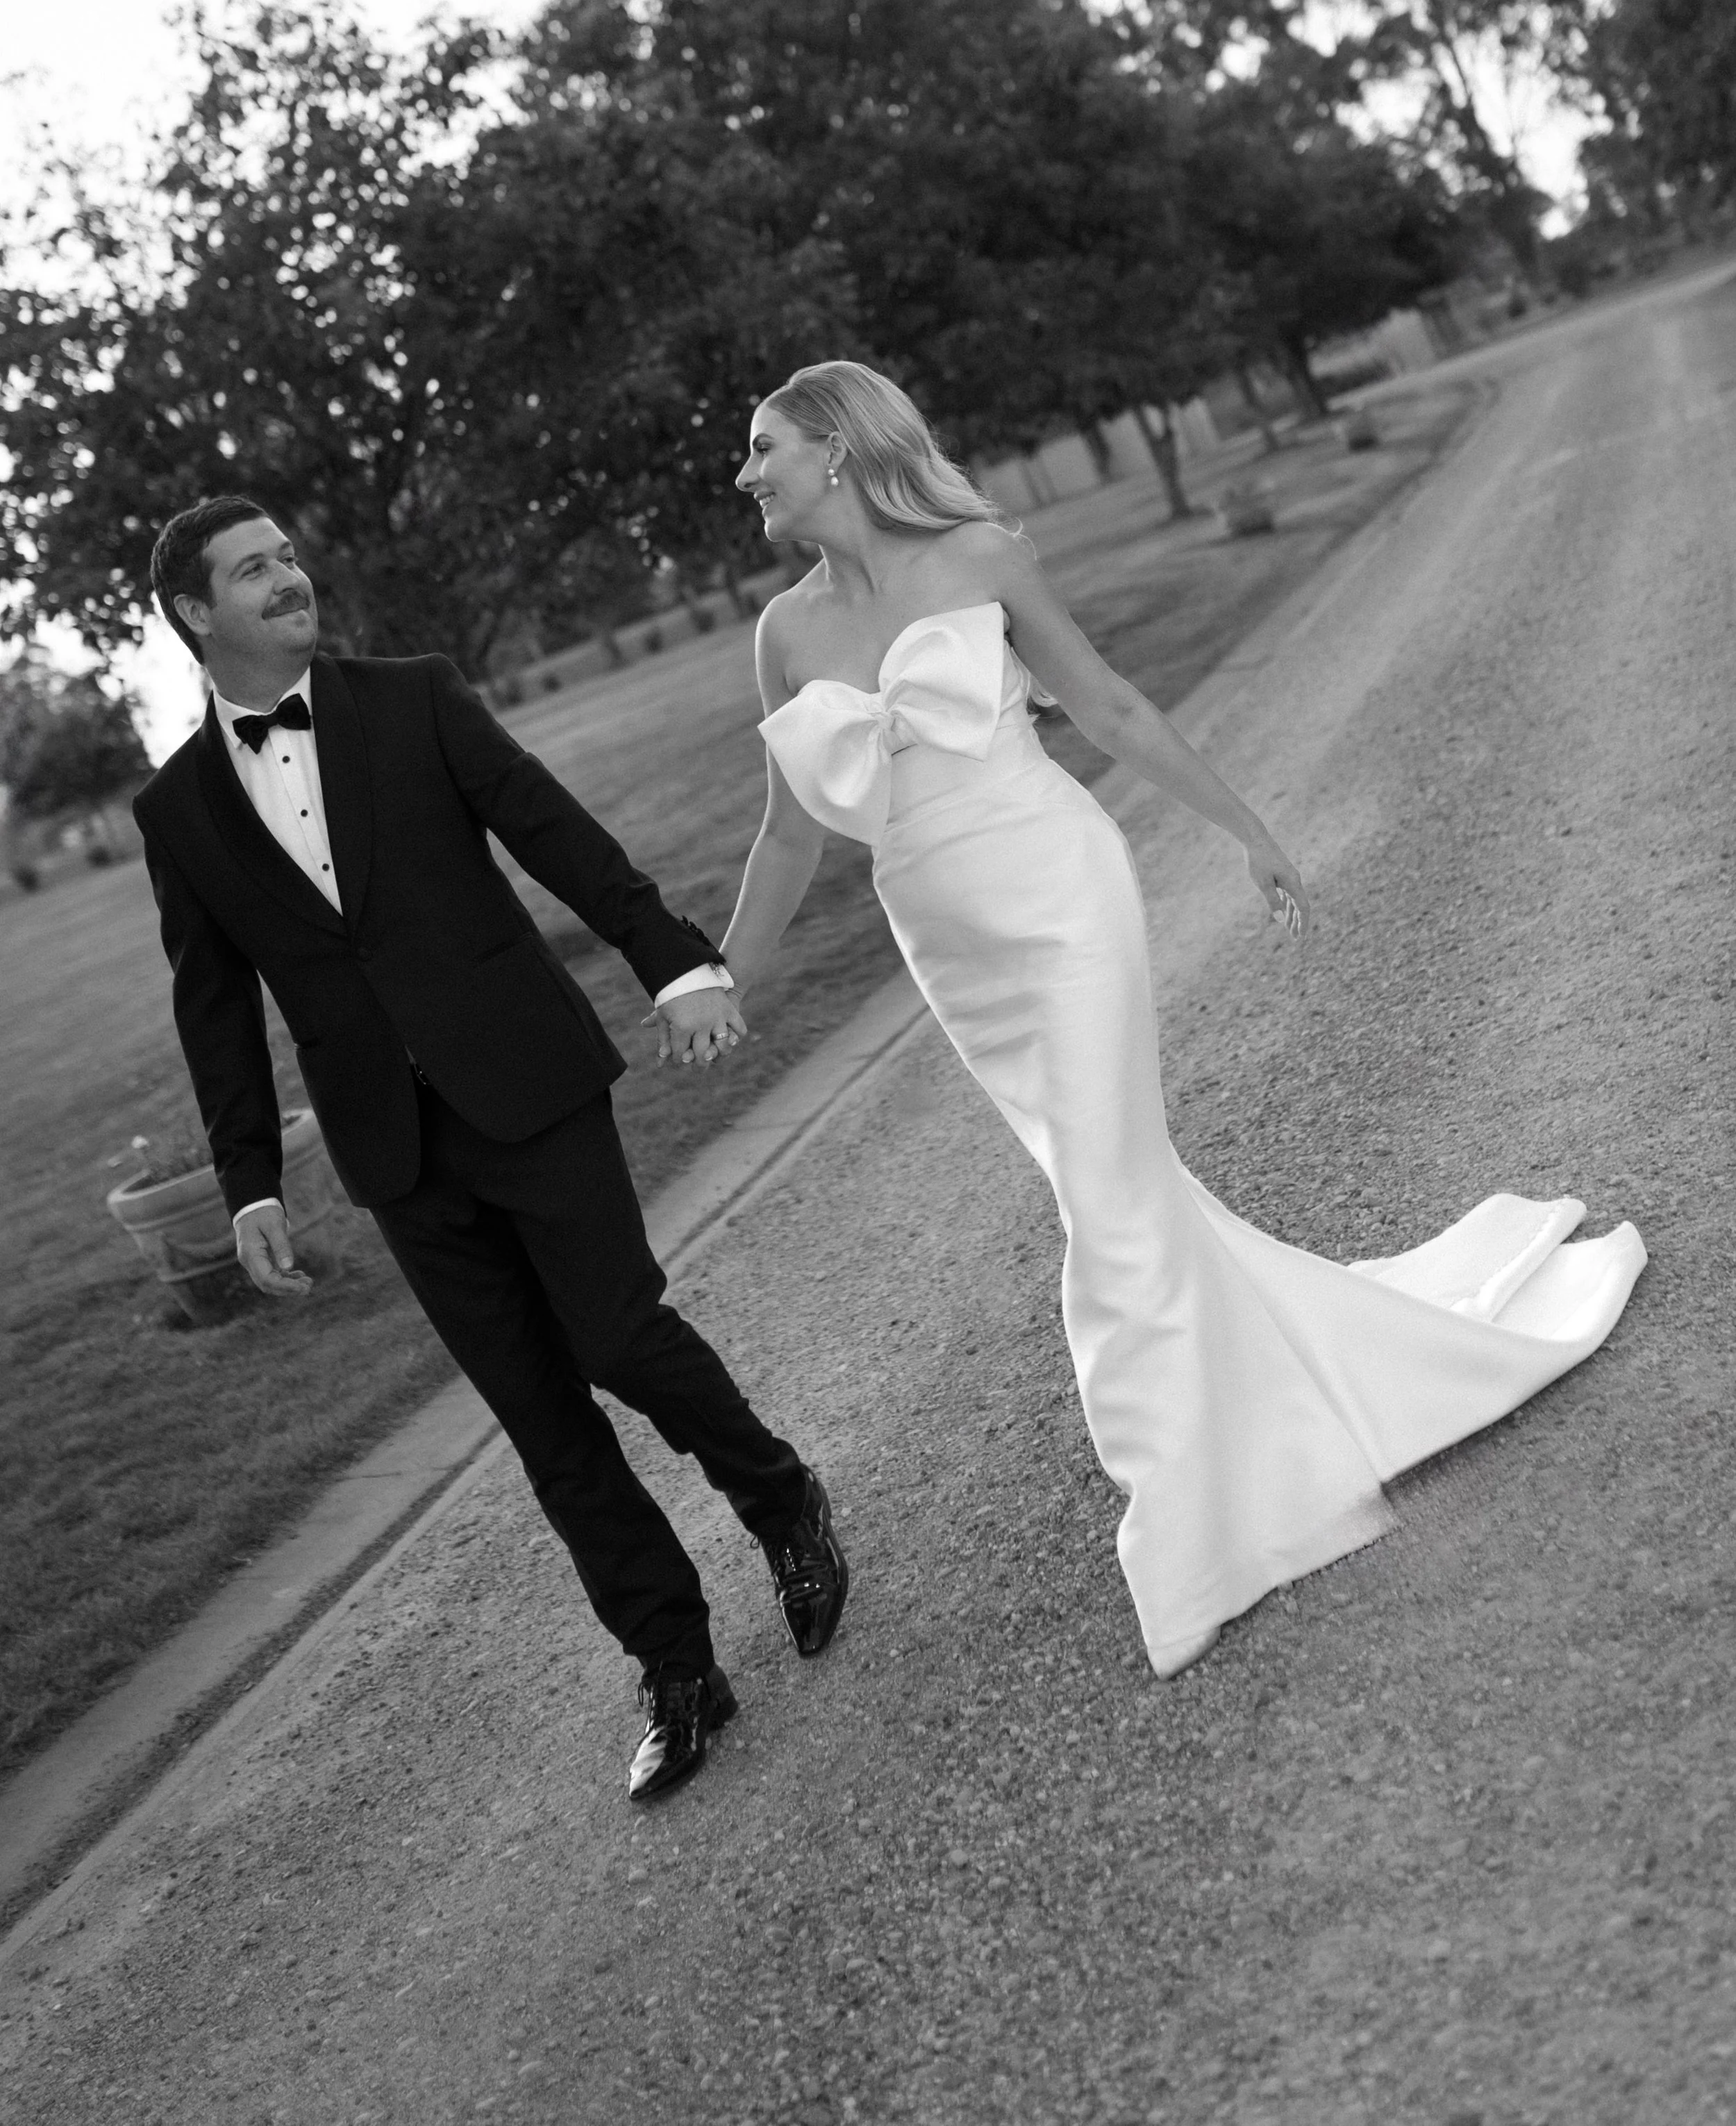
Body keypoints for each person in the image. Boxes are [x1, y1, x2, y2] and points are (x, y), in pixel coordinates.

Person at [719, 362, 1646, 1676]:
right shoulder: (782, 636)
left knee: (1108, 1199)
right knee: (1121, 1189)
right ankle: (1268, 1416)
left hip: (1058, 892)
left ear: (838, 447)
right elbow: (783, 835)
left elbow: (1108, 706)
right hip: (947, 942)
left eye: (763, 449)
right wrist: (719, 980)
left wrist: (1247, 832)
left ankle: (1191, 1524)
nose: (746, 475)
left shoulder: (982, 554)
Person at [133, 495, 847, 1800]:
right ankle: (677, 1663)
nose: (292, 576)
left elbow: (551, 829)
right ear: (195, 612)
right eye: (256, 569)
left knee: (618, 1335)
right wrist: (249, 1183)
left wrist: (673, 959)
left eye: (292, 553)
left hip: (530, 1080)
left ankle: (781, 1498)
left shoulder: (413, 697)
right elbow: (215, 1007)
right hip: (396, 1153)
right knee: (541, 1416)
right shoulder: (175, 808)